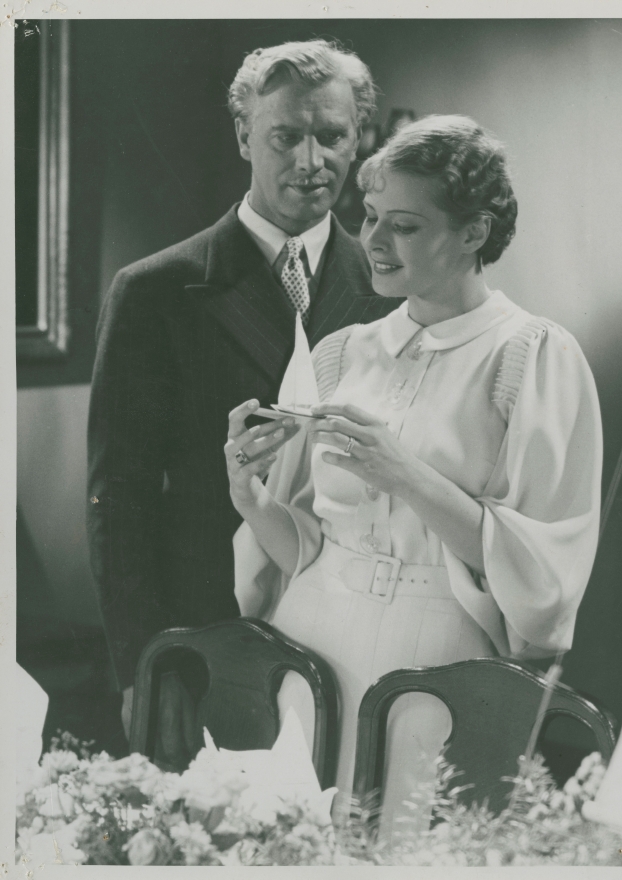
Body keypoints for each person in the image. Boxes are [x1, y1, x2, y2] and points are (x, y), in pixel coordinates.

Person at [225, 115, 603, 839]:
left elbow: (543, 574)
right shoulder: (341, 353)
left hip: (437, 657)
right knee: (293, 842)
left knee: (404, 846)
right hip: (310, 639)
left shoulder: (530, 357)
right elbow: (304, 549)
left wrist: (407, 476)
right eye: (369, 216)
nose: (373, 240)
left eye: (402, 225)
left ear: (473, 232)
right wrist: (249, 494)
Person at [86, 39, 398, 762]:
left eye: (332, 136)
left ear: (360, 139)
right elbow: (120, 497)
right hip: (201, 640)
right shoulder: (155, 291)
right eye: (286, 137)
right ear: (243, 136)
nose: (311, 161)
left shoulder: (394, 293)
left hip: (351, 644)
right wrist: (144, 664)